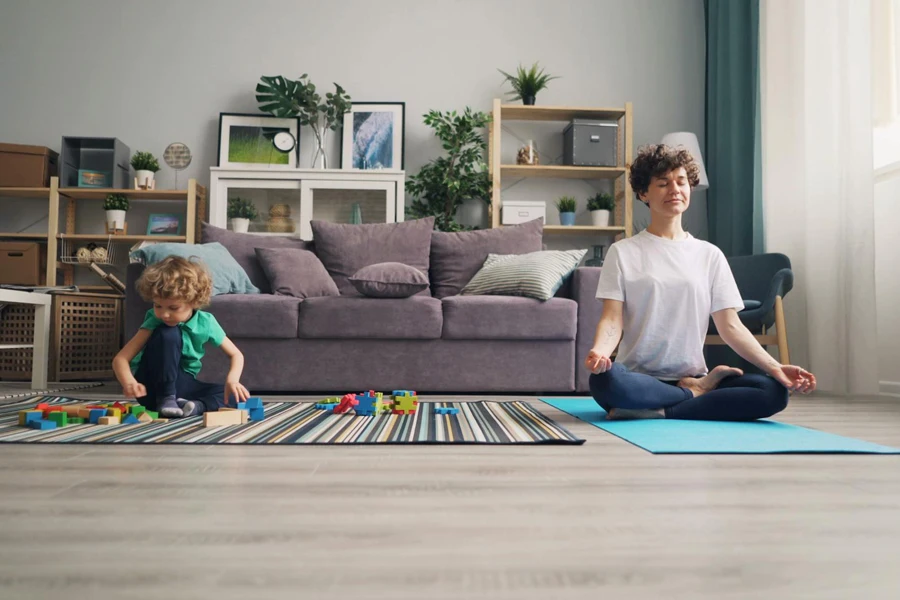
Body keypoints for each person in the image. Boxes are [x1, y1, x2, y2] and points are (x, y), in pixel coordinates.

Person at [585, 144, 816, 421]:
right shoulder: (623, 252)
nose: (674, 189)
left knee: (772, 392)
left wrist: (775, 366)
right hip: (638, 378)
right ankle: (694, 395)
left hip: (691, 374)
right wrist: (600, 352)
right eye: (663, 183)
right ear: (644, 193)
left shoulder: (709, 255)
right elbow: (612, 319)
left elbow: (730, 326)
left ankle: (665, 405)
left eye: (681, 182)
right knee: (605, 381)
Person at [112, 256, 250, 417]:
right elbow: (120, 359)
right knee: (168, 332)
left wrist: (232, 380)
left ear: (194, 301)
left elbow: (236, 354)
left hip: (182, 385)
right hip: (151, 387)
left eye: (173, 307)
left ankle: (195, 407)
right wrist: (129, 382)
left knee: (237, 395)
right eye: (158, 305)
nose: (164, 314)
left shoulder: (206, 323)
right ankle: (167, 398)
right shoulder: (154, 320)